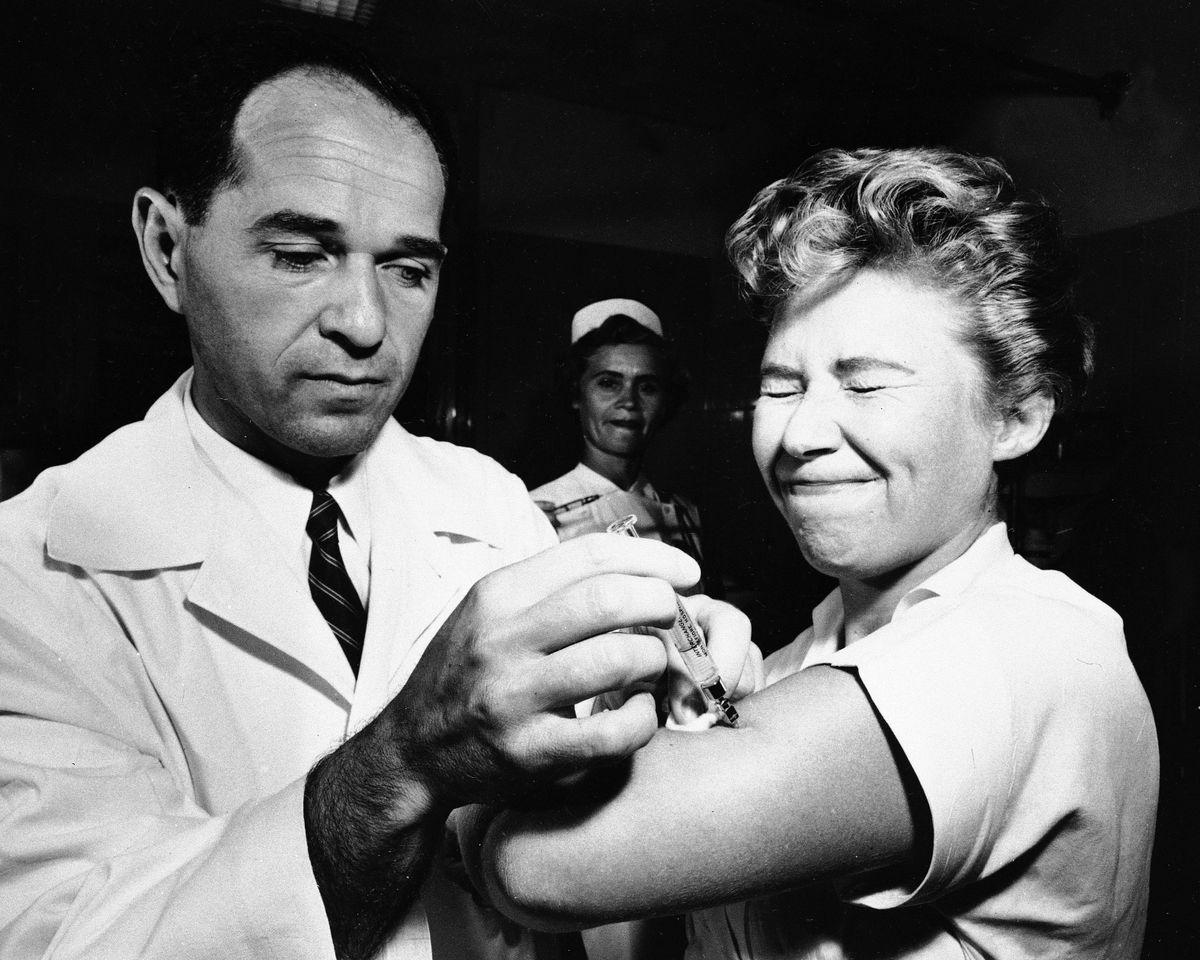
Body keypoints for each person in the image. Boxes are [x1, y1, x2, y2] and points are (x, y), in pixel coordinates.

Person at [0, 24, 758, 960]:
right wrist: (407, 762)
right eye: (299, 254)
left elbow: (586, 882)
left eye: (407, 269)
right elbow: (65, 940)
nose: (365, 324)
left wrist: (666, 712)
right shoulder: (30, 574)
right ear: (167, 247)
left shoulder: (490, 505)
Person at [463, 148, 1160, 958]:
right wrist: (670, 702)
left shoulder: (1031, 649)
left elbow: (539, 867)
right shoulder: (801, 659)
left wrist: (473, 761)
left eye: (865, 385)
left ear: (1014, 418)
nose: (798, 435)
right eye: (782, 386)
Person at [531, 300, 715, 594]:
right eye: (608, 383)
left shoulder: (684, 511)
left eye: (647, 387)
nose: (629, 402)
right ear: (576, 393)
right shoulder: (536, 512)